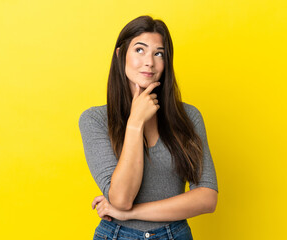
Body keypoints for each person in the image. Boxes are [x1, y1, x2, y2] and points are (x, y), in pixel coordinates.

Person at [79, 15, 218, 240]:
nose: (149, 62)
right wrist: (135, 123)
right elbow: (121, 198)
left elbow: (207, 198)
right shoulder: (94, 120)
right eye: (140, 50)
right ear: (120, 54)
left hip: (175, 234)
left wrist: (130, 213)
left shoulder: (188, 117)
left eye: (158, 53)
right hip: (116, 235)